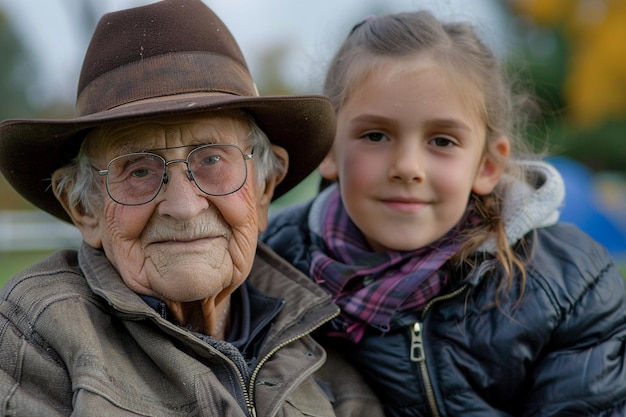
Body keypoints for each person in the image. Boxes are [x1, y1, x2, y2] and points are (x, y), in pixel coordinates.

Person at [0, 1, 384, 416]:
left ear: (264, 188)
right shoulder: (35, 334)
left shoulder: (326, 343)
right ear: (83, 208)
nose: (183, 206)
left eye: (212, 160)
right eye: (139, 170)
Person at [262, 10, 626, 417]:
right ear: (329, 150)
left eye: (441, 140)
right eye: (375, 135)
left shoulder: (570, 284)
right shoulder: (272, 267)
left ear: (488, 165)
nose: (407, 166)